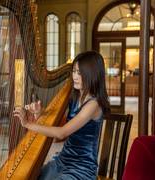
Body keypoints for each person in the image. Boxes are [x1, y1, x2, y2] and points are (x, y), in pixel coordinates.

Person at [13, 51, 110, 180]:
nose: (74, 76)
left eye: (79, 73)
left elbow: (61, 133)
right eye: (74, 71)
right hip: (63, 160)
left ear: (92, 75)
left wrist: (27, 124)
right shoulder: (75, 98)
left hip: (82, 168)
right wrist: (39, 114)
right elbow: (55, 138)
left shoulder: (93, 104)